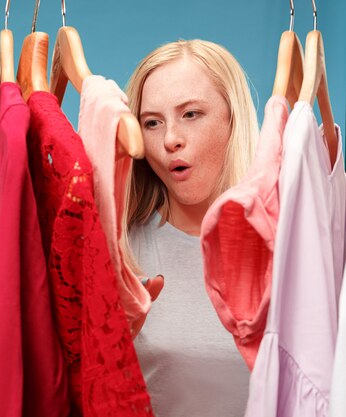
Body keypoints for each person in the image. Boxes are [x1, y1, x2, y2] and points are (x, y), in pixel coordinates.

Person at [124, 39, 259, 416]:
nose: (170, 139)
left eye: (191, 114)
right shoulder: (120, 247)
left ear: (232, 117)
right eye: (152, 122)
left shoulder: (286, 240)